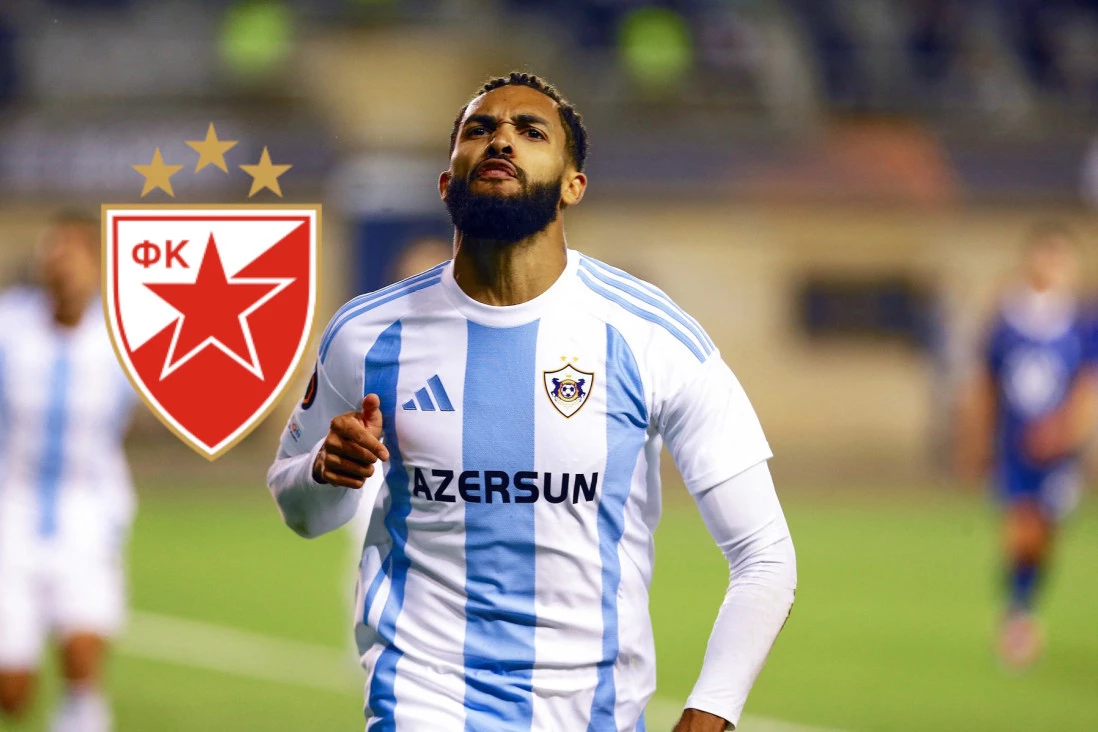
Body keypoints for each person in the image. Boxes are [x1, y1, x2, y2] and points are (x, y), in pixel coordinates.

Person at [269, 72, 797, 731]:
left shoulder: (652, 337)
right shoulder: (365, 334)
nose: (502, 140)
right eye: (480, 129)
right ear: (447, 183)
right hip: (423, 705)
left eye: (531, 131)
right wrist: (325, 473)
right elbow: (301, 512)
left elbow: (764, 555)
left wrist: (710, 712)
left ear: (574, 185)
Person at [0, 212, 138, 732]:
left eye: (74, 256)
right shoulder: (10, 328)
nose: (62, 267)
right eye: (54, 253)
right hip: (12, 515)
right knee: (13, 693)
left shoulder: (120, 340)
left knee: (82, 657)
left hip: (88, 513)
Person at [956, 222, 1091, 670]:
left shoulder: (1080, 322)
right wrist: (975, 441)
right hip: (1014, 448)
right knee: (1021, 526)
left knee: (1044, 533)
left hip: (1058, 452)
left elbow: (1087, 386)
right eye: (1044, 255)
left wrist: (1066, 431)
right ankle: (1017, 617)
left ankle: (1023, 605)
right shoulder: (1006, 320)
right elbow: (985, 384)